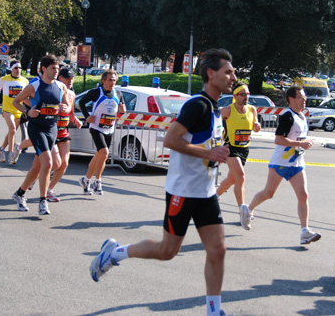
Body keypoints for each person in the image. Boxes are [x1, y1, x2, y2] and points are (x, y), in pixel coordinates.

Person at [90, 48, 236, 316]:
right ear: (211, 73)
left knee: (218, 249)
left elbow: (206, 142)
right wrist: (208, 153)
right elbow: (170, 140)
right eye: (228, 72)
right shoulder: (198, 105)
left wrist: (219, 151)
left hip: (205, 192)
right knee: (167, 250)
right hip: (183, 191)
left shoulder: (215, 107)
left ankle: (214, 311)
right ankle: (114, 254)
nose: (233, 77)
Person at [244, 86, 320, 244]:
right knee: (268, 193)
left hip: (297, 163)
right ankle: (248, 209)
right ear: (291, 99)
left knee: (303, 195)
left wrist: (305, 142)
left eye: (304, 97)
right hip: (280, 162)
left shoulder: (302, 117)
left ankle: (305, 231)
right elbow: (278, 139)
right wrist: (300, 143)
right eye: (301, 97)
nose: (304, 100)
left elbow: (299, 139)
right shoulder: (287, 116)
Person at [10, 55, 70, 216]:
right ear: (44, 69)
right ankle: (43, 201)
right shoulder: (34, 86)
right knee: (48, 163)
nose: (56, 71)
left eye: (57, 69)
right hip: (37, 128)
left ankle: (20, 193)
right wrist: (27, 111)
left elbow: (67, 105)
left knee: (37, 167)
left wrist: (66, 109)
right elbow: (16, 102)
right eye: (53, 68)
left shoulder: (60, 86)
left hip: (52, 128)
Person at [216, 81, 261, 229]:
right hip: (231, 148)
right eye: (243, 94)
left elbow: (255, 127)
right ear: (235, 96)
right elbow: (212, 123)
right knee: (241, 176)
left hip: (244, 149)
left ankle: (212, 199)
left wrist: (257, 126)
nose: (246, 97)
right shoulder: (227, 110)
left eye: (247, 94)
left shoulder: (252, 109)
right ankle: (243, 210)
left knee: (231, 179)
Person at [78, 69, 125, 195]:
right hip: (96, 127)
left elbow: (122, 109)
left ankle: (86, 179)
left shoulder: (118, 93)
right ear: (103, 80)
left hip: (109, 128)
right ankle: (97, 182)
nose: (112, 83)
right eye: (110, 80)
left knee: (100, 155)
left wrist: (122, 110)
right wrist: (87, 116)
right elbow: (81, 102)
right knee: (104, 153)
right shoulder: (96, 92)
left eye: (114, 80)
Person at [44, 67, 82, 202]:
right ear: (60, 78)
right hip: (51, 131)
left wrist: (75, 120)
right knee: (55, 163)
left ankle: (49, 189)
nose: (70, 81)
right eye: (67, 78)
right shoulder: (53, 91)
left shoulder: (72, 94)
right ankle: (36, 176)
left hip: (64, 131)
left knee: (64, 164)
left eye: (72, 78)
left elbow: (70, 113)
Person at [0, 61, 29, 165]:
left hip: (18, 109)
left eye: (19, 68)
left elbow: (28, 94)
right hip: (7, 108)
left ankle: (1, 149)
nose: (18, 70)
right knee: (12, 129)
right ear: (11, 69)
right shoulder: (5, 79)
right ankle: (11, 154)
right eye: (16, 68)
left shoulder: (24, 81)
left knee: (11, 131)